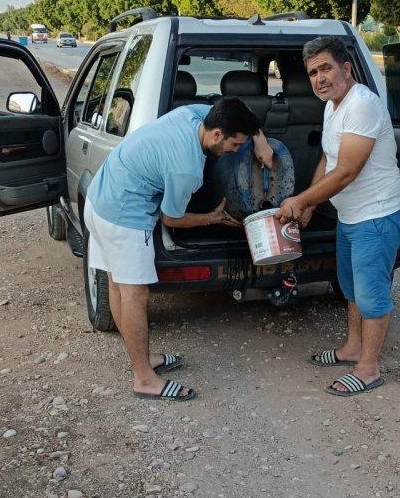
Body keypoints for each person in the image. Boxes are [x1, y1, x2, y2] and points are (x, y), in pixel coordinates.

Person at [84, 96, 273, 401]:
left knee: (117, 285)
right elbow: (171, 217)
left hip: (99, 198)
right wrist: (211, 218)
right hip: (123, 215)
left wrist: (260, 141)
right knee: (135, 293)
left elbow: (236, 107)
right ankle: (144, 378)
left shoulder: (194, 114)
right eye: (235, 145)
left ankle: (142, 360)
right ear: (216, 135)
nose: (235, 151)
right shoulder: (187, 168)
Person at [277, 37, 400, 397]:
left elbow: (347, 171)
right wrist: (311, 205)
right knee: (350, 288)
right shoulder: (333, 106)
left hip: (377, 216)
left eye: (326, 68)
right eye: (312, 72)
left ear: (346, 69)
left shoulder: (362, 105)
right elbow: (327, 160)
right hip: (350, 216)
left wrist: (298, 200)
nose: (319, 78)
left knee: (371, 296)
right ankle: (352, 348)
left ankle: (369, 368)